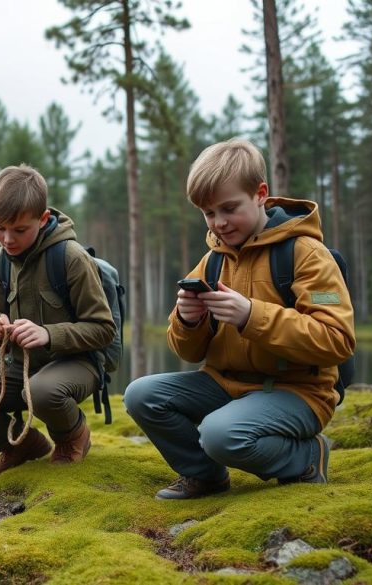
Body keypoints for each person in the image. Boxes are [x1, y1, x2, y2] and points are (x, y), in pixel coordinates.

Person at [123, 138, 355, 499]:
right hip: (224, 385)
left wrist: (251, 315)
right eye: (208, 213)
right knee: (141, 394)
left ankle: (308, 456)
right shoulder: (213, 258)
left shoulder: (306, 253)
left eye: (229, 208)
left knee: (219, 434)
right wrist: (188, 320)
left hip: (298, 392)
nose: (219, 223)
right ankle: (206, 476)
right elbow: (189, 350)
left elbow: (336, 340)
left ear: (260, 193)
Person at [0, 164, 116, 475]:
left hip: (78, 364)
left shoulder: (71, 258)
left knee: (39, 391)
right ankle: (22, 446)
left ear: (43, 219)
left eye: (19, 230)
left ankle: (72, 436)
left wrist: (49, 334)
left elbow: (103, 329)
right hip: (22, 367)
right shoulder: (0, 262)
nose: (7, 239)